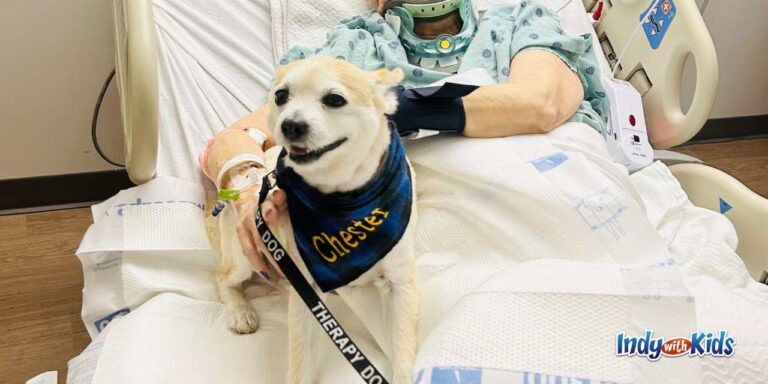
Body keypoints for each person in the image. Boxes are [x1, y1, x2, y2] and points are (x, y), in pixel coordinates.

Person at [199, 0, 609, 277]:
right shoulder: (355, 48)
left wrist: (396, 108)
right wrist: (245, 184)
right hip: (420, 248)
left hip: (546, 212)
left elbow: (541, 105)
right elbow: (239, 138)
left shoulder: (519, 19)